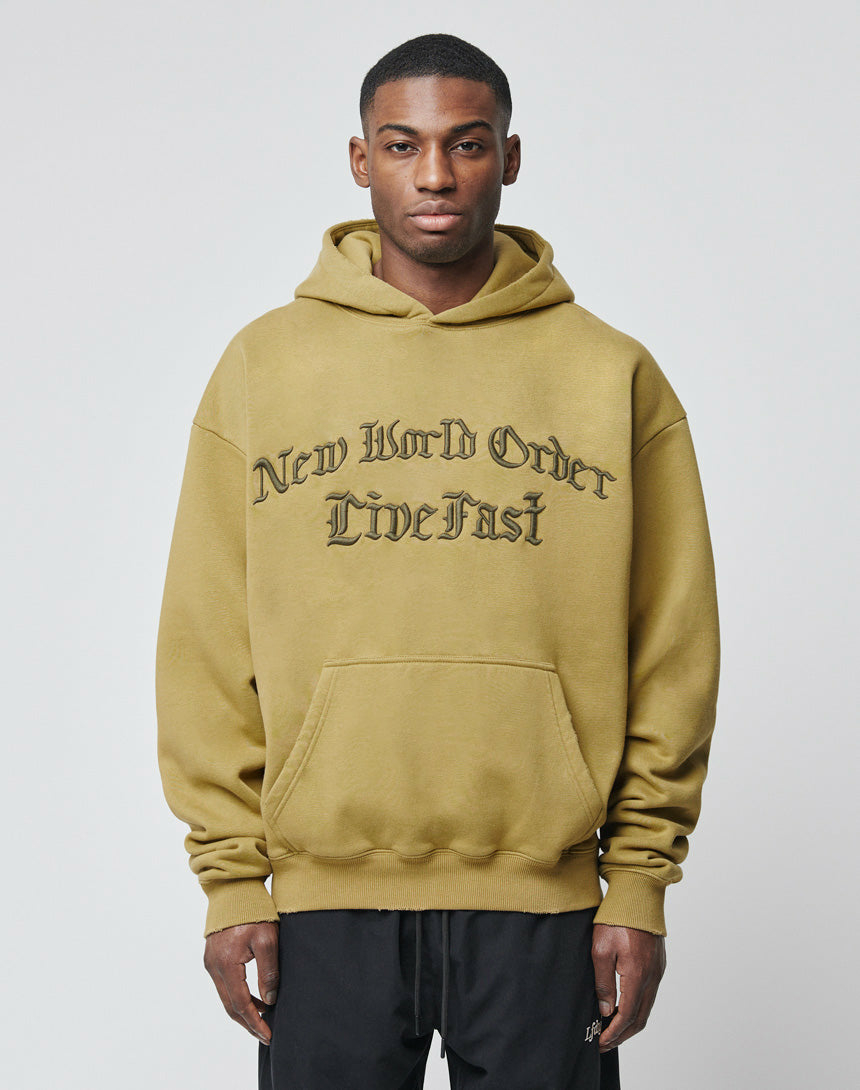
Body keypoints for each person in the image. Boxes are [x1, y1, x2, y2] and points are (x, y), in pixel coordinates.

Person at [155, 32, 721, 1090]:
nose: (433, 175)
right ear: (359, 159)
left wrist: (639, 882)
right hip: (322, 904)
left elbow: (672, 647)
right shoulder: (264, 368)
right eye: (401, 144)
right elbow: (205, 641)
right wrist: (231, 882)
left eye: (465, 144)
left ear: (509, 157)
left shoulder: (610, 375)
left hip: (547, 902)